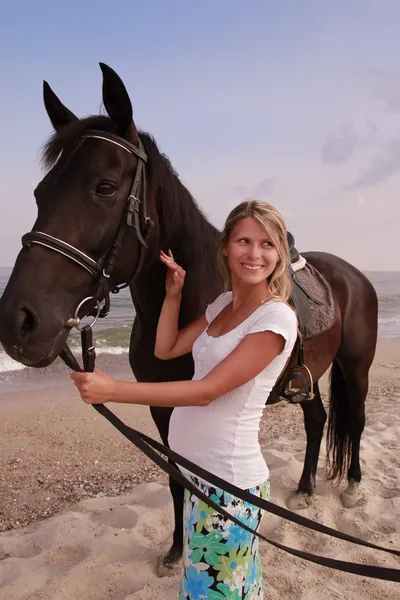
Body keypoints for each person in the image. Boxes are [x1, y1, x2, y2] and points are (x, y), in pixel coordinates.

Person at [72, 200, 298, 599]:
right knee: (234, 588)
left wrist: (115, 390)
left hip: (228, 485)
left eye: (267, 243)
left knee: (209, 592)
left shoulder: (274, 318)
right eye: (244, 240)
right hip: (199, 477)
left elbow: (207, 390)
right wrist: (173, 294)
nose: (254, 253)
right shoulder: (223, 305)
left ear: (279, 253)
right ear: (226, 246)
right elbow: (166, 348)